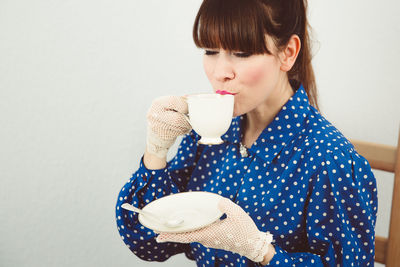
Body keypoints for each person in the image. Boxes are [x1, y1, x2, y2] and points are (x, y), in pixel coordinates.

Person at [115, 0, 378, 266]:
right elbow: (148, 243)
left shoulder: (329, 159)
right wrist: (156, 150)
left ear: (288, 53)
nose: (220, 73)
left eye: (241, 53)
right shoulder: (207, 134)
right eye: (209, 50)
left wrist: (262, 252)